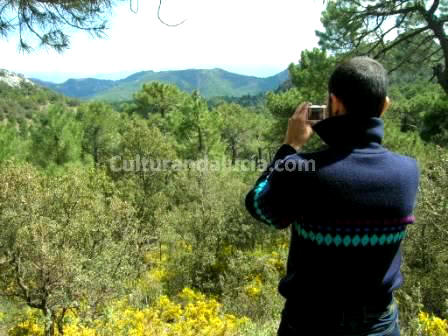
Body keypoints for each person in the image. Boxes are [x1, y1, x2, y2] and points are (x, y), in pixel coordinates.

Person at [244, 56, 420, 336]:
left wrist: (289, 147)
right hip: (380, 325)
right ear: (384, 106)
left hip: (310, 323)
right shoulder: (408, 171)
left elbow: (258, 205)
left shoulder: (302, 170)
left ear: (334, 104)